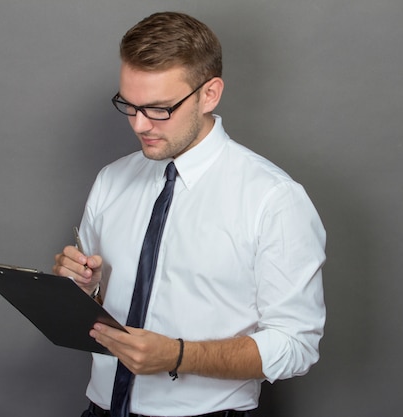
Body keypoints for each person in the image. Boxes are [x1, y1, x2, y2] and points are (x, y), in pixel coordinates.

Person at [53, 11, 326, 417]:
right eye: (129, 105)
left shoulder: (273, 199)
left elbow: (296, 346)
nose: (140, 124)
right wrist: (82, 286)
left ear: (210, 93)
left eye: (160, 108)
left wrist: (178, 356)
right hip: (99, 409)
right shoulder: (112, 179)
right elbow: (96, 300)